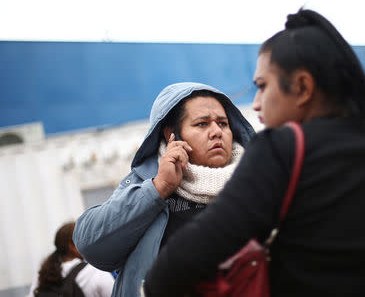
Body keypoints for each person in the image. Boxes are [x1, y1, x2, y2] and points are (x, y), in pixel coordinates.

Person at [144, 8, 365, 297]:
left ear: (302, 87)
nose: (256, 103)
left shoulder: (282, 148)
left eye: (263, 86)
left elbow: (174, 268)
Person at [73, 82, 255, 297]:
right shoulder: (147, 184)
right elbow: (90, 245)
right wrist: (159, 187)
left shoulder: (257, 183)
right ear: (172, 135)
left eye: (223, 123)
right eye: (202, 124)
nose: (217, 132)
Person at [29, 221, 114, 297]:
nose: (91, 242)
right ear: (72, 246)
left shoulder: (43, 274)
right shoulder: (95, 272)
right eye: (85, 238)